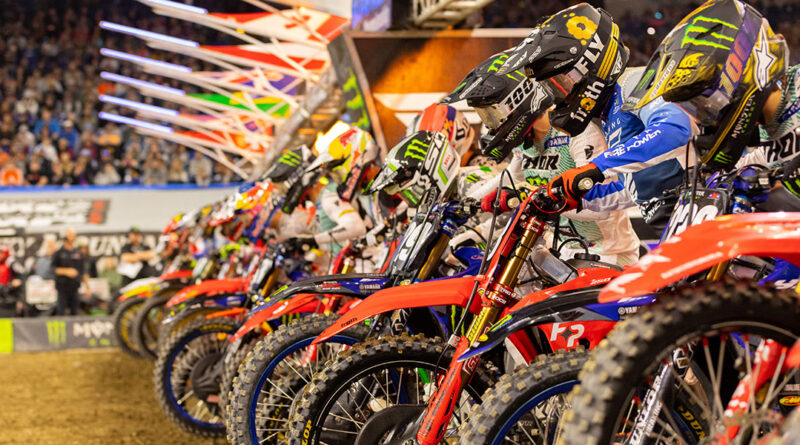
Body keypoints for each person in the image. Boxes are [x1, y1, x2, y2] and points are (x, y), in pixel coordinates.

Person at [497, 3, 694, 232]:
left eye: (562, 82)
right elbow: (627, 191)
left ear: (591, 65)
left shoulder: (632, 82)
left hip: (695, 208)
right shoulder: (608, 116)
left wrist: (597, 166)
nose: (559, 95)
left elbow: (675, 127)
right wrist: (560, 197)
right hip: (672, 220)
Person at [52, 228, 88, 315]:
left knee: (75, 312)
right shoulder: (59, 253)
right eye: (71, 235)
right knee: (61, 312)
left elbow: (83, 271)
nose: (73, 238)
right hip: (62, 287)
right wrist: (66, 271)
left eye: (74, 236)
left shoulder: (78, 253)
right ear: (65, 237)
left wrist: (88, 287)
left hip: (75, 287)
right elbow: (52, 269)